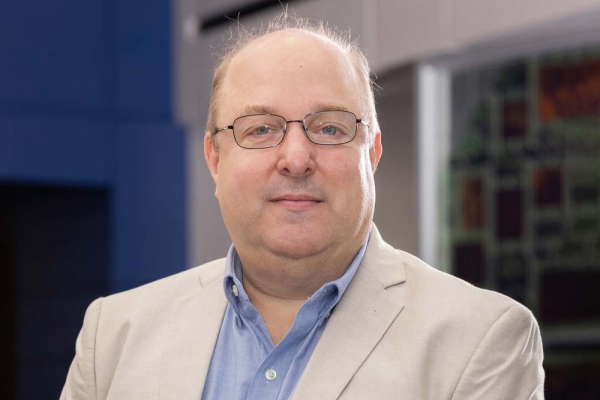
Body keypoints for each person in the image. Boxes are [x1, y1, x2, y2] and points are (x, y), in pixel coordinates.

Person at [61, 13, 545, 400]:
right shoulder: (113, 336)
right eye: (260, 129)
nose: (295, 158)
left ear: (372, 154)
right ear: (215, 159)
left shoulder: (482, 339)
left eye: (330, 128)